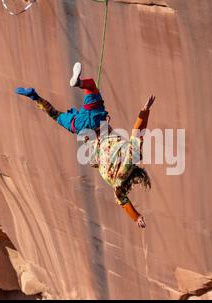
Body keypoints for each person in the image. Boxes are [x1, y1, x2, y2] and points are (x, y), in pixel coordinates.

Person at [15, 62, 155, 229]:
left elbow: (137, 131)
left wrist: (145, 110)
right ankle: (34, 96)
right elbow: (123, 201)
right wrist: (136, 218)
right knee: (56, 115)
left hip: (96, 119)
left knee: (92, 87)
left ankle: (79, 82)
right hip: (81, 128)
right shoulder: (114, 182)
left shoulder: (131, 157)